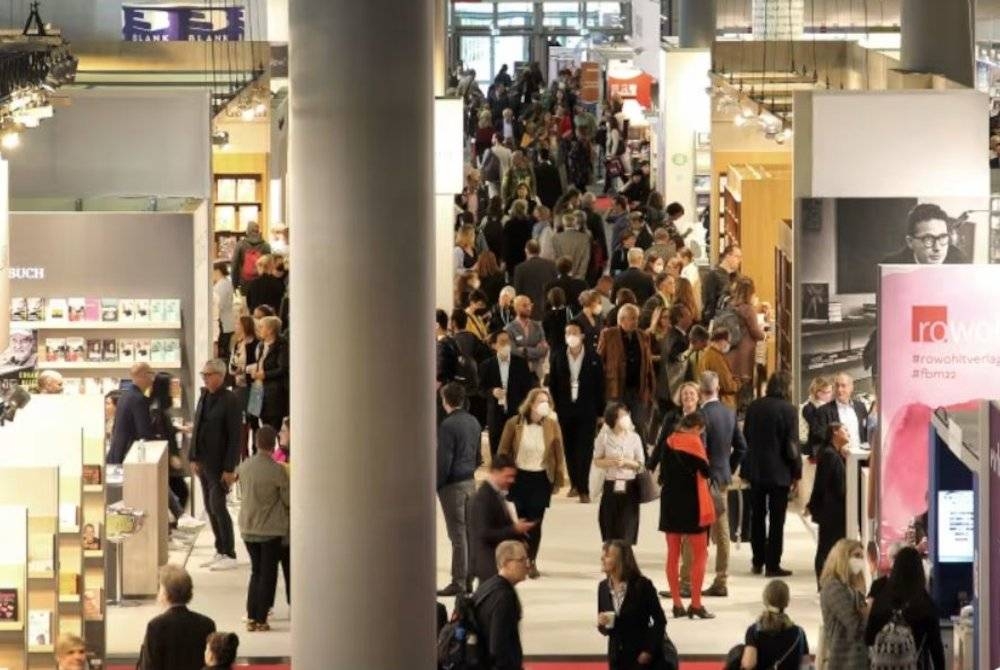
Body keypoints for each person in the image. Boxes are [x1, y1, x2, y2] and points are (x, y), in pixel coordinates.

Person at [497, 387, 566, 578]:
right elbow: (503, 450)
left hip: (541, 478)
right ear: (531, 404)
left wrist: (559, 478)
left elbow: (558, 452)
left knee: (536, 523)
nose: (544, 405)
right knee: (522, 522)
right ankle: (520, 559)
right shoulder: (514, 423)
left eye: (547, 402)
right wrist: (502, 476)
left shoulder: (552, 424)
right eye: (540, 401)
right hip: (520, 478)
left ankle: (532, 560)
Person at [742, 372, 801, 577]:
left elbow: (747, 435)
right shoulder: (789, 410)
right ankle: (773, 564)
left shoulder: (755, 406)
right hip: (780, 471)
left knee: (757, 516)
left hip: (756, 469)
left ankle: (757, 561)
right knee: (777, 520)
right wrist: (796, 473)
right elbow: (792, 444)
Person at [659, 411, 716, 620]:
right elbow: (707, 471)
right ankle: (696, 604)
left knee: (673, 554)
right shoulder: (694, 442)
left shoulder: (669, 441)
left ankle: (676, 604)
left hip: (670, 504)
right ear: (696, 427)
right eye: (701, 430)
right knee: (700, 554)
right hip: (693, 504)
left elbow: (662, 473)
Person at [188, 359, 243, 571]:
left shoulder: (231, 400)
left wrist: (230, 468)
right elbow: (198, 427)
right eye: (203, 374)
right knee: (210, 507)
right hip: (203, 462)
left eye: (208, 374)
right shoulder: (204, 396)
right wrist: (193, 457)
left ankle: (229, 552)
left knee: (218, 506)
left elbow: (235, 436)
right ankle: (220, 549)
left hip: (220, 464)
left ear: (220, 376)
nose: (205, 378)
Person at [237, 426, 290, 632]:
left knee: (256, 572)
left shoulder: (245, 467)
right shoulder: (277, 470)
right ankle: (261, 618)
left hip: (247, 527)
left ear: (257, 442)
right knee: (268, 574)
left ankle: (251, 615)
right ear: (273, 443)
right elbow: (287, 500)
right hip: (269, 530)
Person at [699, 371, 746, 597]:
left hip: (704, 479)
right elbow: (742, 447)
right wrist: (728, 465)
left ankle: (691, 577)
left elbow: (700, 451)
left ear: (701, 390)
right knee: (723, 528)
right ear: (717, 388)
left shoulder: (701, 415)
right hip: (723, 477)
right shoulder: (729, 413)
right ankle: (722, 578)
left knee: (697, 528)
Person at [864, 545, 945, 670]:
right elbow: (936, 649)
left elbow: (868, 638)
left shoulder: (881, 597)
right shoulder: (925, 603)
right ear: (920, 571)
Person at [550, 323, 604, 504]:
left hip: (587, 409)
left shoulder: (594, 357)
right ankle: (574, 483)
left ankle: (583, 488)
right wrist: (556, 407)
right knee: (570, 448)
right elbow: (553, 385)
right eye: (567, 333)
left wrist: (600, 412)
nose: (570, 336)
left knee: (585, 448)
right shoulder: (558, 356)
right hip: (565, 409)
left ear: (582, 336)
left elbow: (600, 386)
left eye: (574, 332)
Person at [436, 383, 481, 596]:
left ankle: (459, 581)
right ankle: (469, 578)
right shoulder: (474, 422)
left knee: (457, 535)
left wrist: (437, 484)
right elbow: (479, 456)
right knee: (468, 533)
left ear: (446, 401)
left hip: (452, 485)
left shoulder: (448, 425)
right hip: (470, 482)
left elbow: (444, 460)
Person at [597, 540, 668, 670]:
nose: (602, 558)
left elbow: (660, 620)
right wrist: (601, 625)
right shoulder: (603, 587)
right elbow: (607, 630)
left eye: (607, 555)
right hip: (616, 658)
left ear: (621, 560)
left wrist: (649, 651)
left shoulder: (642, 585)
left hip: (640, 657)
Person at [469, 455, 536, 584]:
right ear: (495, 472)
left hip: (495, 563)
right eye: (508, 476)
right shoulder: (483, 498)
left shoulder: (496, 494)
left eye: (513, 476)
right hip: (488, 564)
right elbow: (484, 533)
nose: (512, 480)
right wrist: (514, 529)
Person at [138, 565, 216, 670]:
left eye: (160, 588)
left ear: (165, 593)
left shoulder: (156, 626)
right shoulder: (207, 624)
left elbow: (149, 666)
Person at [598, 304, 657, 442]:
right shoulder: (608, 334)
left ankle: (643, 454)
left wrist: (651, 388)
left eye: (637, 318)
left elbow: (648, 364)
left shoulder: (643, 336)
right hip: (616, 388)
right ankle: (610, 452)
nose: (636, 321)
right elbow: (600, 360)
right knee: (613, 424)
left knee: (640, 424)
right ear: (621, 319)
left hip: (638, 389)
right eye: (632, 318)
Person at [593, 403, 645, 544]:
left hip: (630, 486)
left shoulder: (635, 438)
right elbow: (597, 461)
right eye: (622, 416)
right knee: (610, 527)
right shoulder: (603, 438)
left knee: (627, 529)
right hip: (611, 484)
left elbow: (640, 464)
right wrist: (610, 462)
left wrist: (626, 462)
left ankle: (625, 560)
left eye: (627, 415)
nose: (626, 418)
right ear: (613, 419)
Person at [473, 540, 529, 670]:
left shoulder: (487, 587)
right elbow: (498, 648)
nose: (527, 565)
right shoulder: (504, 597)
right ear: (506, 563)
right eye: (522, 560)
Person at [480, 330, 535, 458]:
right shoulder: (487, 365)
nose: (506, 345)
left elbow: (528, 389)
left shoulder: (520, 363)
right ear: (494, 345)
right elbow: (481, 388)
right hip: (495, 416)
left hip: (516, 414)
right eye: (502, 342)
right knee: (497, 454)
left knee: (517, 453)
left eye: (508, 341)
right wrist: (492, 391)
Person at [808, 422, 849, 587]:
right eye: (844, 430)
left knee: (828, 547)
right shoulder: (830, 455)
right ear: (835, 432)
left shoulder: (833, 454)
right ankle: (823, 583)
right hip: (832, 511)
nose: (848, 433)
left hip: (833, 510)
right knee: (826, 549)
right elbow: (823, 484)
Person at [819, 539, 869, 670]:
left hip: (858, 659)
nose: (860, 561)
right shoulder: (834, 587)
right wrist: (868, 610)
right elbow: (855, 625)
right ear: (843, 557)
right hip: (844, 661)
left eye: (862, 557)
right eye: (857, 556)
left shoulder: (853, 587)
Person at [739, 580, 810, 670]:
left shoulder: (754, 631)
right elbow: (806, 666)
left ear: (765, 600)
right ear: (787, 602)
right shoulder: (799, 633)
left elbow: (749, 664)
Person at [149, 371, 190, 526]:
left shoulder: (158, 407)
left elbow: (164, 428)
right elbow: (160, 432)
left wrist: (178, 428)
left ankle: (174, 525)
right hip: (165, 457)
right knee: (179, 491)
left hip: (167, 456)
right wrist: (172, 455)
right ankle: (176, 523)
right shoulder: (156, 408)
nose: (175, 388)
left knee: (175, 492)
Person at [723, 277, 768, 401]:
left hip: (732, 350)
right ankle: (744, 409)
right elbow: (755, 332)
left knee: (735, 382)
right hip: (745, 352)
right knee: (745, 383)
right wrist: (765, 335)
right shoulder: (748, 309)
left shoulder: (731, 305)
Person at [880, 202, 968, 265]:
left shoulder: (960, 261)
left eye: (943, 237)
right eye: (928, 239)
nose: (937, 248)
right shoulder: (891, 266)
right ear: (910, 242)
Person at [107, 362, 155, 464]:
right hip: (130, 455)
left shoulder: (125, 396)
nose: (152, 379)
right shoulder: (138, 399)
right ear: (142, 375)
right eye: (151, 374)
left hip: (118, 452)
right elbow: (143, 431)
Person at [811, 372, 869, 451]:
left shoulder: (861, 407)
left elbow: (866, 432)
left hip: (860, 458)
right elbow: (819, 437)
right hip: (837, 459)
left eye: (843, 386)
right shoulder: (823, 411)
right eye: (837, 386)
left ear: (851, 387)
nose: (839, 389)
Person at [251, 316, 289, 430]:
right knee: (256, 421)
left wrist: (265, 375)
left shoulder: (281, 345)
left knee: (272, 426)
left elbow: (282, 368)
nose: (259, 329)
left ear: (270, 330)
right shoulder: (261, 345)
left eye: (262, 327)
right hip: (257, 389)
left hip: (273, 392)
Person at [505, 294, 549, 381]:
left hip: (537, 373)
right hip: (518, 373)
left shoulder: (538, 326)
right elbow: (513, 351)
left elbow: (543, 350)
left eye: (530, 305)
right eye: (525, 305)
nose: (529, 308)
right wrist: (535, 350)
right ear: (516, 307)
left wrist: (524, 350)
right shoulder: (509, 329)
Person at [513, 239, 558, 321]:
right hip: (548, 310)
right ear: (539, 250)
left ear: (526, 251)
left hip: (529, 311)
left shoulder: (520, 268)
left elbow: (518, 293)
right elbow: (555, 287)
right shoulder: (551, 265)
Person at [701, 244, 742, 326]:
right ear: (728, 256)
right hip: (717, 322)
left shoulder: (736, 277)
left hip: (731, 322)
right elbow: (709, 301)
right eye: (737, 256)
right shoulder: (713, 275)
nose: (740, 260)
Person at [702, 329, 739, 409]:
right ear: (722, 341)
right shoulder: (715, 357)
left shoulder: (707, 353)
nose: (729, 344)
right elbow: (727, 386)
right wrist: (738, 383)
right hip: (723, 403)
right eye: (728, 341)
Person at [230, 221, 271, 292]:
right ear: (258, 231)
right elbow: (269, 266)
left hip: (244, 283)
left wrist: (234, 285)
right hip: (261, 284)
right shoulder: (266, 246)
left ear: (247, 231)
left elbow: (234, 266)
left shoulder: (240, 245)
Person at [800, 376, 833, 457]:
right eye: (828, 392)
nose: (831, 394)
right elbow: (818, 431)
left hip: (828, 449)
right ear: (819, 393)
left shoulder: (829, 406)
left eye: (831, 391)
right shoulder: (808, 408)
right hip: (815, 451)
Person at [551, 212, 591, 280]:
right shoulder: (584, 238)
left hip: (560, 276)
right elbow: (585, 259)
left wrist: (559, 274)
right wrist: (580, 276)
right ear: (575, 223)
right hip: (578, 277)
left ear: (563, 223)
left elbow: (555, 257)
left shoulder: (555, 238)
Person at [501, 199, 534, 276]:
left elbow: (506, 243)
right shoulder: (528, 223)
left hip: (511, 256)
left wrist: (504, 259)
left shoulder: (509, 224)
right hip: (525, 255)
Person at [213, 261, 235, 358]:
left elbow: (218, 305)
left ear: (217, 271)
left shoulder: (221, 286)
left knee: (222, 350)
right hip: (227, 321)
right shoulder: (227, 283)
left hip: (224, 323)